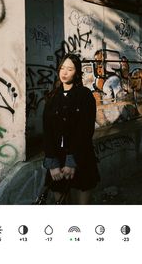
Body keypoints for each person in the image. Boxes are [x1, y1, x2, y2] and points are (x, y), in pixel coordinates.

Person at [43, 53, 100, 204]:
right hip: (57, 160)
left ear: (77, 72)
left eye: (70, 69)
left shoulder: (84, 95)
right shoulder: (52, 97)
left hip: (81, 158)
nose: (65, 72)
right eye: (62, 68)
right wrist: (52, 163)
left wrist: (71, 161)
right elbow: (47, 132)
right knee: (62, 205)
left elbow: (85, 131)